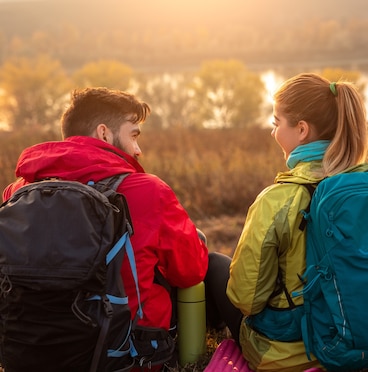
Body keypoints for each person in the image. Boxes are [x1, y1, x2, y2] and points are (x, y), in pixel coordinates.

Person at [2, 87, 241, 369]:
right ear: (104, 133)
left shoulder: (18, 192)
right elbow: (190, 271)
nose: (138, 150)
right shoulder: (147, 190)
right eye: (133, 135)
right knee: (212, 262)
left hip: (28, 354)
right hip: (124, 357)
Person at [225, 72, 368, 372]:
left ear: (302, 130)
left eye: (277, 123)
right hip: (363, 343)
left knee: (217, 269)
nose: (273, 132)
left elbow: (247, 299)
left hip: (290, 354)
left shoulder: (277, 199)